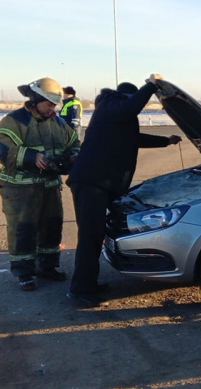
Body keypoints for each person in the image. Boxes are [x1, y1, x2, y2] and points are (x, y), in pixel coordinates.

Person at [66, 74, 181, 307]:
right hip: (91, 183)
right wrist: (151, 85)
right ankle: (80, 290)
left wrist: (166, 141)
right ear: (125, 96)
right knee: (90, 237)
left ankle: (88, 283)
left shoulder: (116, 117)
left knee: (97, 234)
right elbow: (131, 107)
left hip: (101, 183)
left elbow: (135, 138)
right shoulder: (110, 106)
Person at [0, 77, 81, 291]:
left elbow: (74, 142)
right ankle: (25, 273)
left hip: (49, 186)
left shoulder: (58, 121)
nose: (53, 108)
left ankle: (48, 267)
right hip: (21, 189)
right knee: (23, 230)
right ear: (35, 100)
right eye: (49, 104)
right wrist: (31, 157)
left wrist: (73, 155)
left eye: (55, 104)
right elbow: (3, 148)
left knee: (51, 226)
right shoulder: (14, 121)